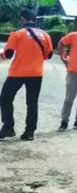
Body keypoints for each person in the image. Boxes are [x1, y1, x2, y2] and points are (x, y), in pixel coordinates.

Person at [0, 10, 53, 141]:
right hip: (36, 73)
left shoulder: (17, 34)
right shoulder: (45, 35)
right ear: (34, 20)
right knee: (32, 102)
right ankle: (29, 132)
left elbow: (8, 54)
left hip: (17, 73)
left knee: (5, 98)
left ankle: (8, 127)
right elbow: (49, 55)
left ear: (23, 19)